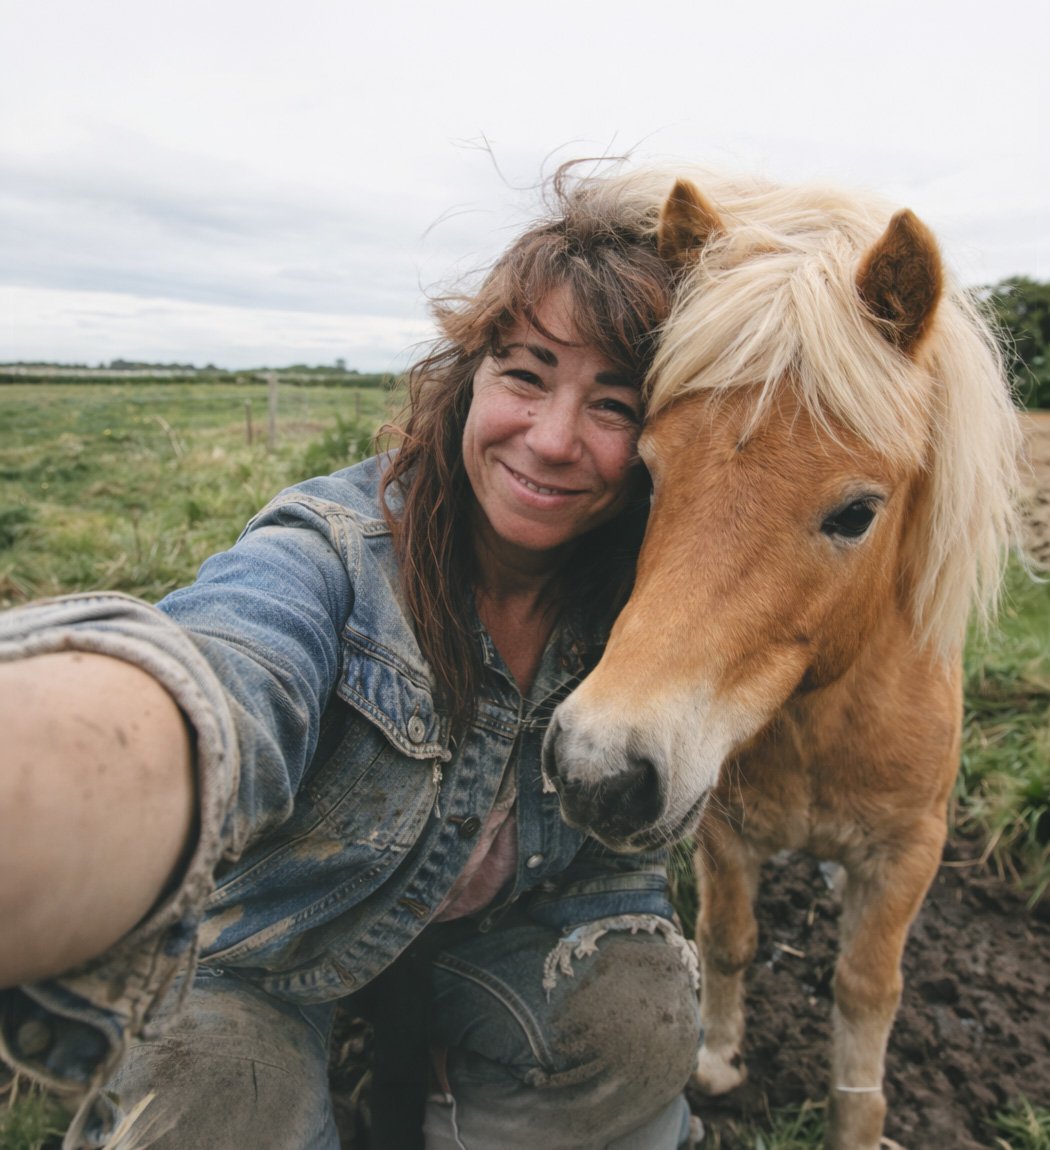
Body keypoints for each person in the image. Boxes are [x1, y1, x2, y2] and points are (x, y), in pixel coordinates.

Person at [0, 167, 702, 1150]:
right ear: (468, 380)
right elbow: (222, 679)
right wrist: (58, 785)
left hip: (486, 941)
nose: (550, 440)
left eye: (615, 405)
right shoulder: (333, 555)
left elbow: (618, 875)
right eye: (526, 373)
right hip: (269, 954)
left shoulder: (644, 616)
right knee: (220, 1101)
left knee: (643, 1011)